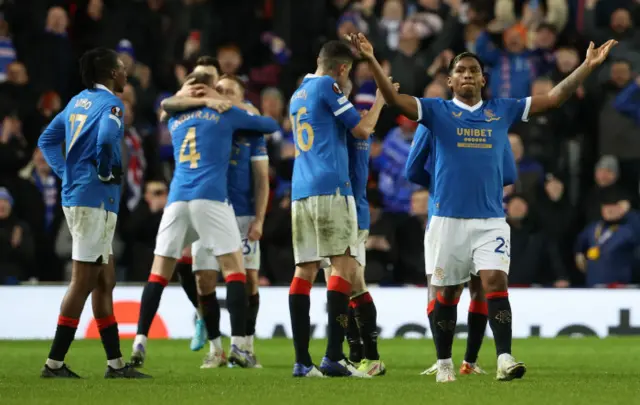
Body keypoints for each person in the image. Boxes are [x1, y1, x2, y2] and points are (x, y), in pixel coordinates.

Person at [351, 32, 616, 382]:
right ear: (449, 80)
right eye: (460, 71)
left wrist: (586, 66)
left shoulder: (500, 111)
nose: (467, 75)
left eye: (473, 70)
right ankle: (444, 362)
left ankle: (504, 357)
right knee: (446, 293)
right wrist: (370, 60)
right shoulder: (436, 111)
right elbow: (396, 101)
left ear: (482, 78)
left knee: (494, 281)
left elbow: (553, 97)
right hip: (447, 219)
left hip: (491, 219)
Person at [130, 72, 279, 369]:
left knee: (159, 273)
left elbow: (165, 108)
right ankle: (237, 345)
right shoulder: (225, 116)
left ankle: (139, 342)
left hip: (177, 199)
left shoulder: (176, 119)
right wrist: (226, 104)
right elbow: (270, 125)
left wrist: (186, 96)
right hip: (211, 198)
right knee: (234, 270)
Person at [37, 47, 149, 379]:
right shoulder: (111, 105)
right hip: (93, 201)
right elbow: (105, 142)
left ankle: (115, 365)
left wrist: (64, 172)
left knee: (105, 280)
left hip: (82, 198)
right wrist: (101, 171)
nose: (126, 73)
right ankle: (53, 364)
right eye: (121, 68)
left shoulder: (76, 102)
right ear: (112, 73)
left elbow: (47, 140)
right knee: (83, 280)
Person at [287, 40, 383, 378]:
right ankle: (333, 356)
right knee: (342, 268)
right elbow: (362, 128)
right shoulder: (328, 86)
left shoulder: (297, 93)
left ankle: (302, 361)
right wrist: (381, 100)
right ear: (342, 69)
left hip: (300, 189)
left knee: (304, 271)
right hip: (331, 188)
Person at [406, 124, 517, 376]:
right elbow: (508, 173)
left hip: (446, 213)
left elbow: (413, 169)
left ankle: (450, 361)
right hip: (481, 211)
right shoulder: (493, 121)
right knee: (477, 287)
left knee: (443, 287)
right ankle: (466, 361)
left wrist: (443, 186)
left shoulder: (434, 119)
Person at [188, 74, 269, 368]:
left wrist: (259, 219)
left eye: (229, 92)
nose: (222, 95)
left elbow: (262, 181)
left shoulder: (251, 131)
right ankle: (216, 350)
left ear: (242, 98)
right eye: (218, 90)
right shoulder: (204, 126)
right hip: (208, 210)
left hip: (243, 215)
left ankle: (246, 346)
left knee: (248, 281)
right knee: (204, 279)